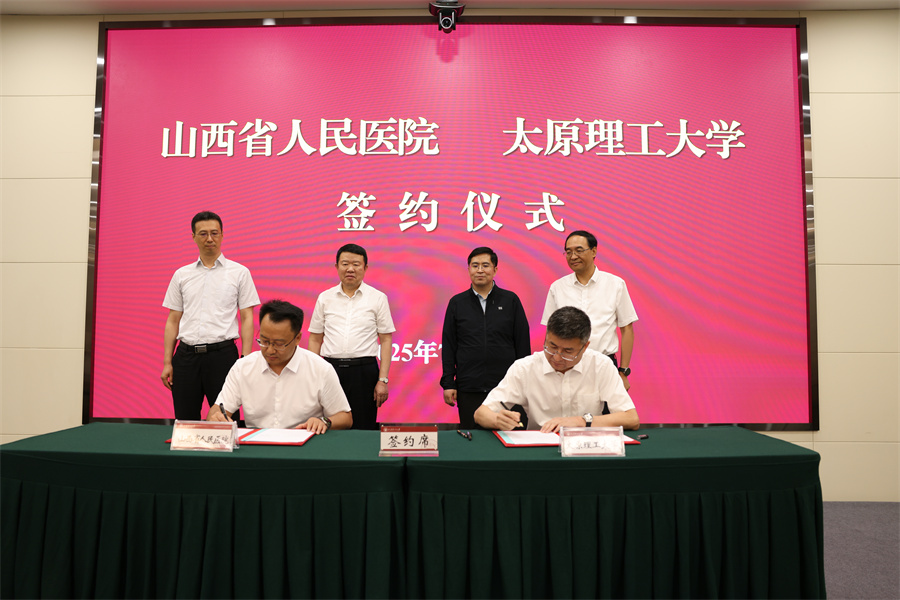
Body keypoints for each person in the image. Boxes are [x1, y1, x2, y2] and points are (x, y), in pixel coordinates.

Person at [475, 306, 639, 432]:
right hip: (540, 448)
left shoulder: (601, 365)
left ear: (585, 346)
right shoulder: (524, 368)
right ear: (546, 336)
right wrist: (497, 420)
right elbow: (481, 414)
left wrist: (580, 421)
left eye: (568, 351)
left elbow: (631, 419)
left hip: (587, 448)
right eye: (552, 347)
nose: (557, 357)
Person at [161, 211, 260, 420]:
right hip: (186, 358)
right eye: (203, 234)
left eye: (214, 233)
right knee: (185, 421)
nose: (209, 239)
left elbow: (247, 318)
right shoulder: (182, 275)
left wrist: (245, 359)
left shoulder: (239, 272)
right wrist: (167, 362)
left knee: (226, 420)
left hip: (222, 357)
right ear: (193, 237)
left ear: (222, 235)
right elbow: (173, 320)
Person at [207, 299, 352, 432]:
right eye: (264, 341)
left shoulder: (320, 369)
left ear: (297, 338)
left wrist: (324, 421)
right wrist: (216, 417)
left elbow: (345, 418)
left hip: (305, 444)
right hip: (258, 444)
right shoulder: (243, 367)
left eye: (279, 344)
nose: (270, 350)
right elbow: (217, 410)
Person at [441, 247, 530, 429]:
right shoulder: (457, 303)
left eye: (485, 265)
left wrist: (525, 382)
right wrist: (449, 383)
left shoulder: (510, 300)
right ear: (468, 269)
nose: (480, 270)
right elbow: (449, 346)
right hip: (469, 387)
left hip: (507, 387)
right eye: (475, 266)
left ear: (495, 269)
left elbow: (522, 343)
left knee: (510, 435)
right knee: (472, 438)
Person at [307, 244, 395, 430]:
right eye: (345, 264)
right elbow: (315, 338)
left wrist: (383, 380)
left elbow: (386, 340)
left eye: (356, 264)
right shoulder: (325, 298)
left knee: (363, 426)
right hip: (330, 369)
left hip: (364, 371)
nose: (350, 269)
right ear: (336, 266)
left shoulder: (378, 298)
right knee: (328, 425)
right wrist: (312, 375)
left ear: (365, 268)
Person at [541, 229, 638, 391]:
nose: (573, 256)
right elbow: (550, 332)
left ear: (593, 251)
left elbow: (627, 329)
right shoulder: (557, 287)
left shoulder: (615, 284)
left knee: (606, 407)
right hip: (566, 366)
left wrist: (623, 371)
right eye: (568, 252)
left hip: (604, 365)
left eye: (579, 250)